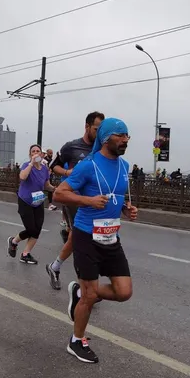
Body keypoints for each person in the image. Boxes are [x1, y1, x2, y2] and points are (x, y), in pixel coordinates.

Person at [54, 117, 137, 363]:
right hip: (86, 236)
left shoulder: (124, 166)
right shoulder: (88, 165)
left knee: (124, 292)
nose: (125, 140)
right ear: (106, 138)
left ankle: (81, 292)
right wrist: (88, 201)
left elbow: (116, 196)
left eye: (127, 136)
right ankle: (76, 340)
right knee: (90, 296)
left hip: (111, 237)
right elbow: (60, 193)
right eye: (120, 136)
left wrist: (126, 209)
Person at [45, 111, 104, 290]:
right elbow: (53, 165)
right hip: (73, 197)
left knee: (80, 236)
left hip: (94, 198)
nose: (100, 133)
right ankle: (86, 285)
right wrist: (67, 173)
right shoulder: (72, 147)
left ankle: (55, 267)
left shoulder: (102, 149)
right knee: (82, 236)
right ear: (87, 127)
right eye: (97, 128)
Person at [7, 145, 55, 264]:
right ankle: (14, 241)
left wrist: (55, 189)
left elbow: (46, 185)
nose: (35, 153)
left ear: (42, 154)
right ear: (30, 154)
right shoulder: (26, 165)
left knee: (37, 229)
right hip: (25, 200)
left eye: (38, 151)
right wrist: (31, 163)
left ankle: (25, 254)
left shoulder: (44, 169)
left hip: (38, 201)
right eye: (33, 151)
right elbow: (22, 177)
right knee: (31, 228)